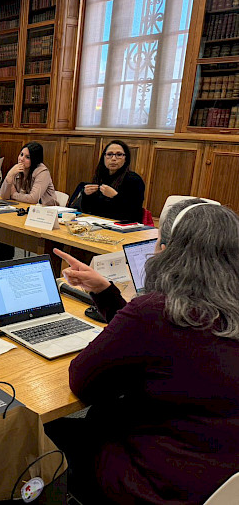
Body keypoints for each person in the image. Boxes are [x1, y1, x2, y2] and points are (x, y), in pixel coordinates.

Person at [45, 199, 239, 504]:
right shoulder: (220, 312)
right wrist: (106, 292)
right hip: (221, 481)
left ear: (168, 249)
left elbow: (82, 381)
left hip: (155, 484)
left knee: (46, 431)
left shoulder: (156, 312)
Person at [80, 140, 145, 222]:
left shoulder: (134, 180)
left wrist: (115, 196)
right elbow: (88, 209)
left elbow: (134, 213)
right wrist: (86, 195)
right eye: (109, 154)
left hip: (124, 227)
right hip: (98, 223)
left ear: (126, 159)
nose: (113, 159)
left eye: (119, 155)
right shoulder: (101, 177)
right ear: (104, 157)